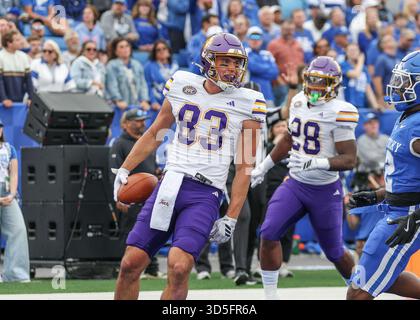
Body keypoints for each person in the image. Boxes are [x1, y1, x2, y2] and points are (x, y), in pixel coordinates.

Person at [113, 32, 264, 300]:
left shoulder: (249, 102)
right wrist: (125, 169)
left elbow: (245, 166)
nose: (232, 69)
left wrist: (230, 216)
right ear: (208, 62)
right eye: (225, 62)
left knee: (180, 267)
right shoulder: (182, 84)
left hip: (204, 194)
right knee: (129, 264)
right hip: (169, 184)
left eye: (236, 63)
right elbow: (156, 132)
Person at [251, 56, 359, 300]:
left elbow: (350, 159)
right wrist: (264, 166)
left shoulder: (340, 111)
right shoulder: (299, 101)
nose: (315, 86)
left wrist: (318, 162)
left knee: (334, 252)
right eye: (312, 80)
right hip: (296, 184)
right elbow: (289, 139)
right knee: (268, 233)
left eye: (322, 82)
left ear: (334, 85)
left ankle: (360, 290)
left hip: (325, 189)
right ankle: (270, 296)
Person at [347, 50, 420, 300]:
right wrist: (375, 196)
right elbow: (406, 178)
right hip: (396, 209)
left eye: (407, 81)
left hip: (407, 216)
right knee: (380, 278)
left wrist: (417, 217)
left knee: (358, 294)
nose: (399, 87)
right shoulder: (408, 116)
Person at [109, 108, 165, 279]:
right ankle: (125, 267)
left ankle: (151, 268)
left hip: (149, 194)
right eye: (137, 120)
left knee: (152, 229)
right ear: (125, 124)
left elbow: (151, 167)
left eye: (143, 120)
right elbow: (114, 170)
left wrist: (157, 173)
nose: (142, 123)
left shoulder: (146, 143)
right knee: (129, 231)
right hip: (130, 196)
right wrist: (120, 196)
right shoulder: (119, 143)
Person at [0, 120, 30, 282]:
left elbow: (13, 173)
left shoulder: (9, 148)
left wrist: (11, 195)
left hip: (7, 194)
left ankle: (15, 275)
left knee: (18, 229)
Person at [105, 38, 150, 112]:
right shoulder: (111, 65)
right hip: (120, 106)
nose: (125, 49)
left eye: (127, 46)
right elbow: (112, 85)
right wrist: (118, 100)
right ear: (116, 51)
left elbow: (143, 84)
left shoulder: (137, 64)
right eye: (121, 47)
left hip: (137, 105)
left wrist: (144, 100)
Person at [144, 40, 179, 128]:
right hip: (157, 103)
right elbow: (148, 85)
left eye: (164, 48)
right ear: (154, 53)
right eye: (158, 50)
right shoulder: (149, 66)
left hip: (173, 102)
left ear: (168, 50)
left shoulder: (175, 65)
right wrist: (153, 102)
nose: (162, 51)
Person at [0, 30, 33, 107]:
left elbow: (28, 80)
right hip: (2, 103)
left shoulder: (24, 56)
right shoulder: (1, 56)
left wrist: (31, 98)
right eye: (17, 40)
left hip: (20, 101)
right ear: (9, 43)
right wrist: (4, 99)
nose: (21, 42)